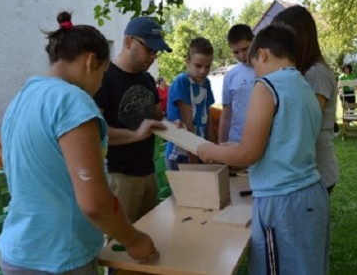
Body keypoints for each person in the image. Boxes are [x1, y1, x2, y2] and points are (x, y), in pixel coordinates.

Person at [0, 12, 158, 274]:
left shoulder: (22, 98)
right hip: (60, 256)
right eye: (103, 73)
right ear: (91, 61)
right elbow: (95, 203)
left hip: (18, 252)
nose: (99, 86)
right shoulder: (73, 101)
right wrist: (135, 239)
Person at [197, 25, 329, 275]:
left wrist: (210, 150)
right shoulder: (304, 86)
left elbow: (248, 154)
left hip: (282, 202)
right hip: (311, 195)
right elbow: (284, 141)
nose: (254, 70)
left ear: (264, 54)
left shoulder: (267, 85)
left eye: (254, 62)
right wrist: (233, 146)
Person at [94, 16, 170, 223]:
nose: (153, 56)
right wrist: (136, 135)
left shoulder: (147, 79)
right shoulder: (104, 78)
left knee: (150, 233)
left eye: (156, 51)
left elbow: (156, 119)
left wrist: (173, 128)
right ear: (128, 42)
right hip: (120, 176)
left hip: (149, 171)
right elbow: (97, 132)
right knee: (120, 245)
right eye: (149, 49)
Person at [272, 5, 339, 195]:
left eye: (282, 36)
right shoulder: (303, 72)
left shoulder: (316, 73)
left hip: (317, 174)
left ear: (298, 37)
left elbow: (304, 126)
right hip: (305, 173)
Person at [165, 37, 216, 170]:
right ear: (188, 62)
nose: (203, 71)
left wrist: (213, 151)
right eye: (198, 66)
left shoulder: (206, 83)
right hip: (182, 154)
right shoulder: (182, 82)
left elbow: (208, 118)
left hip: (200, 151)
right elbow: (188, 124)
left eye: (207, 67)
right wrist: (195, 164)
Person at [218, 24, 256, 144]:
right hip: (236, 143)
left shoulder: (269, 69)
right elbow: (226, 115)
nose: (241, 55)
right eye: (236, 52)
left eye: (245, 49)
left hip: (265, 145)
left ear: (254, 41)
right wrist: (221, 147)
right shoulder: (230, 76)